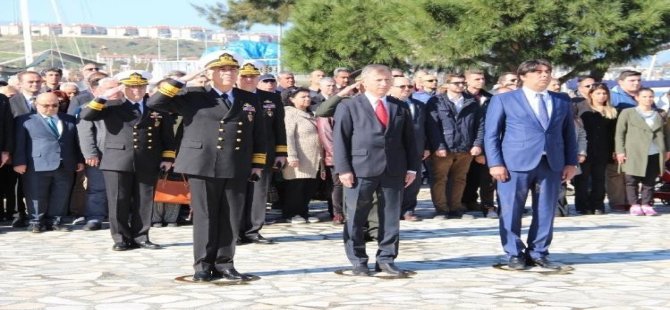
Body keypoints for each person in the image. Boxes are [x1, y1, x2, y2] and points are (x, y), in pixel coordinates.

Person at [147, 50, 266, 282]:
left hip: (235, 163)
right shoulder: (193, 95)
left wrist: (257, 163)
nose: (228, 73)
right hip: (202, 163)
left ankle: (225, 263)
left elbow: (259, 134)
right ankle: (202, 264)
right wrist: (184, 80)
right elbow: (155, 102)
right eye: (222, 69)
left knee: (231, 216)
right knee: (205, 216)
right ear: (210, 72)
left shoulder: (249, 98)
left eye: (232, 69)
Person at [484, 59, 578, 270]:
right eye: (538, 72)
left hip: (551, 162)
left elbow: (568, 134)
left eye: (547, 72)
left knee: (546, 209)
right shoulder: (504, 100)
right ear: (523, 76)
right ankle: (514, 253)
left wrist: (571, 162)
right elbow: (491, 135)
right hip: (514, 163)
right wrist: (495, 163)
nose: (544, 75)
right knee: (511, 209)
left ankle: (539, 252)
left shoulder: (561, 100)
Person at [334, 64, 418, 276]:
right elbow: (340, 140)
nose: (384, 84)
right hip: (360, 168)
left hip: (393, 168)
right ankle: (358, 260)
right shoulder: (349, 106)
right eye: (379, 80)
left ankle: (387, 259)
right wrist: (343, 169)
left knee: (390, 216)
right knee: (355, 216)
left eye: (387, 80)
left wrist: (412, 168)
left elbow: (409, 140)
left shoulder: (399, 106)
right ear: (364, 82)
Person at [80, 70, 175, 251]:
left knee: (145, 200)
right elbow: (86, 115)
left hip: (148, 159)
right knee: (118, 200)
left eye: (140, 86)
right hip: (117, 159)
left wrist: (168, 157)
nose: (137, 90)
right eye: (132, 86)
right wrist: (105, 96)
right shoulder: (112, 106)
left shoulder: (157, 108)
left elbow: (168, 135)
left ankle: (141, 236)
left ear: (146, 86)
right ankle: (121, 238)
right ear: (124, 87)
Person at [13, 92, 84, 232]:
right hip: (36, 163)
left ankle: (55, 220)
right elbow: (20, 143)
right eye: (46, 105)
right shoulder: (25, 120)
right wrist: (19, 162)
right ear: (36, 105)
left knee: (61, 193)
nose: (50, 108)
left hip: (65, 163)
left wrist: (79, 160)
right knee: (36, 193)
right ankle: (36, 221)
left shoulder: (69, 119)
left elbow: (75, 142)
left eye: (54, 105)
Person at [236, 60, 287, 244]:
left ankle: (253, 230)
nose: (249, 79)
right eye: (244, 76)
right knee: (237, 193)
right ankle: (235, 231)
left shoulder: (271, 98)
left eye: (252, 76)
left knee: (259, 192)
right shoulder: (233, 96)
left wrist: (281, 152)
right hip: (236, 153)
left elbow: (279, 127)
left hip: (264, 153)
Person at [426, 73, 484, 219]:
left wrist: (477, 144)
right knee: (440, 178)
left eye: (462, 83)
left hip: (465, 148)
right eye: (456, 83)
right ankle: (441, 209)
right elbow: (432, 126)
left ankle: (456, 208)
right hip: (444, 148)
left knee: (459, 179)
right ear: (446, 85)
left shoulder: (471, 101)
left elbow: (480, 125)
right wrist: (438, 146)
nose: (460, 86)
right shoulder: (436, 101)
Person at [615, 88, 670, 216]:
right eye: (644, 96)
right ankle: (634, 204)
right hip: (634, 151)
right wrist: (620, 151)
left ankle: (646, 204)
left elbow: (667, 133)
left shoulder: (660, 114)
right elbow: (619, 134)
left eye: (650, 96)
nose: (648, 99)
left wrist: (667, 149)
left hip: (655, 151)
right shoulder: (628, 113)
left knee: (650, 180)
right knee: (631, 180)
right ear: (637, 98)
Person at [281, 87, 324, 223]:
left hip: (312, 157)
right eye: (303, 97)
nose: (307, 99)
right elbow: (288, 135)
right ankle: (291, 213)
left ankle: (303, 212)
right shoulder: (290, 113)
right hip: (299, 156)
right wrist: (291, 155)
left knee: (308, 186)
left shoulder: (310, 113)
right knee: (296, 187)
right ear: (292, 99)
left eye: (308, 96)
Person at [389, 76, 429, 221]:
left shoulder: (418, 105)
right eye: (402, 87)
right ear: (391, 87)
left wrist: (427, 146)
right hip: (395, 151)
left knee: (414, 181)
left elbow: (426, 127)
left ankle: (408, 210)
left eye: (409, 87)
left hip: (416, 149)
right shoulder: (387, 104)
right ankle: (393, 211)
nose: (407, 89)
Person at [574, 84, 617, 215]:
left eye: (604, 93)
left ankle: (598, 204)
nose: (602, 96)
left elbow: (613, 133)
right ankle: (583, 205)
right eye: (598, 93)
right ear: (591, 94)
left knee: (599, 179)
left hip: (603, 149)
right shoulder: (580, 108)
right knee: (583, 179)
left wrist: (614, 150)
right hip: (585, 149)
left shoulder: (611, 111)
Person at [461, 69, 497, 218]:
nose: (481, 81)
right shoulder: (461, 97)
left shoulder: (490, 98)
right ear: (467, 81)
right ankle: (465, 201)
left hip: (484, 143)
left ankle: (487, 206)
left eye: (482, 78)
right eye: (477, 79)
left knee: (486, 177)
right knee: (465, 176)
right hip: (463, 143)